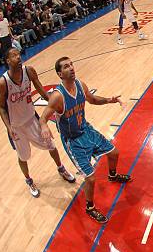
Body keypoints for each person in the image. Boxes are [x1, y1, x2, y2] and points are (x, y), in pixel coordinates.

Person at [40, 56, 132, 223]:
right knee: (90, 178)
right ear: (60, 74)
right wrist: (44, 127)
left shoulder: (81, 85)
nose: (71, 68)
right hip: (73, 141)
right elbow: (43, 118)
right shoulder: (57, 96)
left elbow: (93, 99)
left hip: (86, 130)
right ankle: (90, 208)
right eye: (66, 67)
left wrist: (110, 100)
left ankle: (112, 175)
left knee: (114, 153)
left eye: (72, 64)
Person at [0, 48, 76, 197]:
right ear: (7, 61)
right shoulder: (3, 82)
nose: (18, 57)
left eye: (18, 54)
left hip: (32, 119)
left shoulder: (29, 71)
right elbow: (1, 108)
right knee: (23, 157)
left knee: (51, 145)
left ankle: (61, 168)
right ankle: (28, 180)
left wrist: (58, 107)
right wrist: (8, 128)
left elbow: (43, 93)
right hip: (16, 126)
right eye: (13, 55)